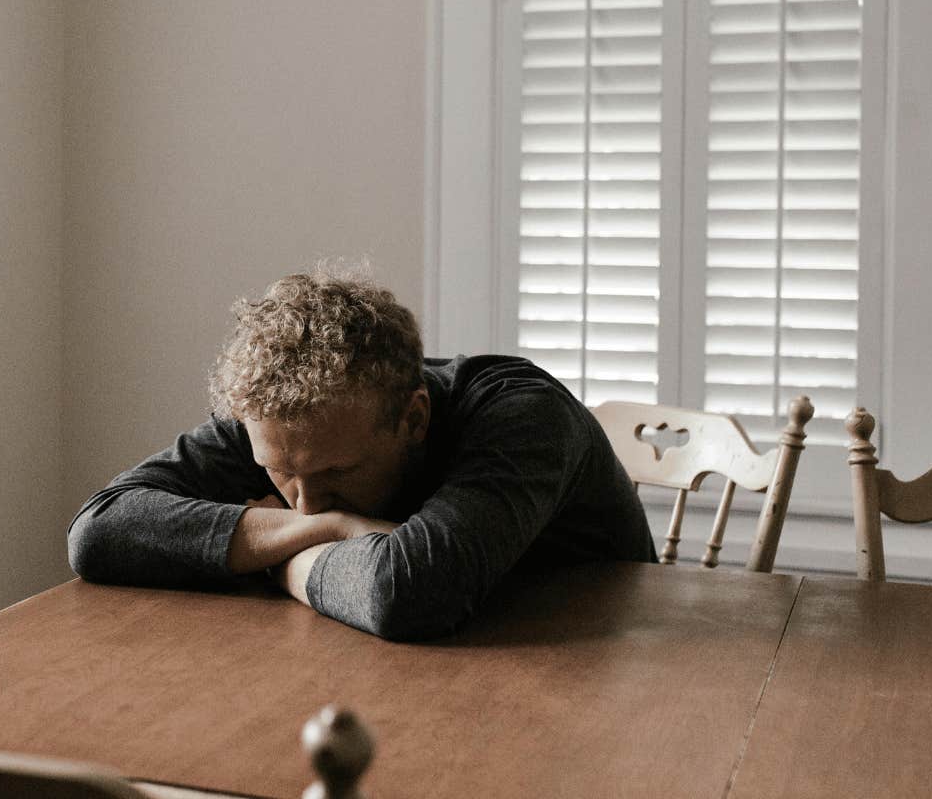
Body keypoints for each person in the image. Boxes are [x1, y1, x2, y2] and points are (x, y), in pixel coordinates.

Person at [66, 268, 655, 642]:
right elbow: (99, 531)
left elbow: (409, 592)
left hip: (614, 669)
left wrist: (279, 558)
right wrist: (335, 528)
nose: (306, 503)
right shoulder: (282, 420)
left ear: (415, 418)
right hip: (403, 663)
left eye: (338, 475)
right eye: (280, 473)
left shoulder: (523, 413)